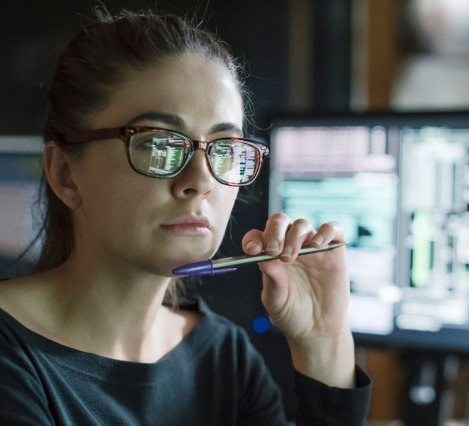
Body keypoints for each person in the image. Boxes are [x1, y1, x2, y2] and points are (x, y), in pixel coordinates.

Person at [0, 7, 372, 425]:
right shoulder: (12, 359)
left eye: (225, 149)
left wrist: (324, 342)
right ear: (65, 174)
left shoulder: (223, 358)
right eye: (159, 144)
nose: (200, 181)